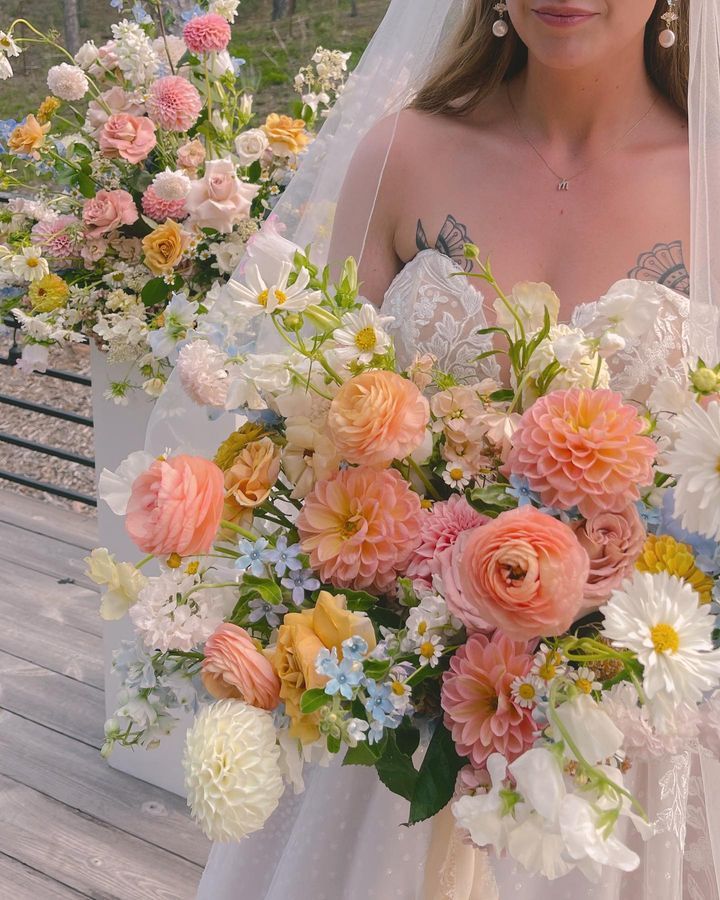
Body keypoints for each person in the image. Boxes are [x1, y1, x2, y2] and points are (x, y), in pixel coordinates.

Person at [180, 0, 720, 896]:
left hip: (644, 747)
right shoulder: (403, 153)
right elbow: (308, 425)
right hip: (405, 739)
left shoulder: (713, 177)